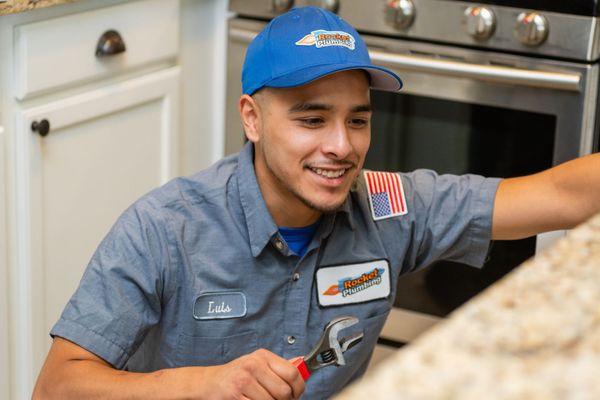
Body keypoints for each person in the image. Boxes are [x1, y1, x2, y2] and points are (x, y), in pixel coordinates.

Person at [33, 6, 599, 400]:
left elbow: (558, 194)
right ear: (251, 119)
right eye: (311, 119)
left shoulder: (391, 209)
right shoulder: (164, 228)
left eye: (358, 119)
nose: (341, 146)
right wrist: (206, 384)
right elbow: (57, 387)